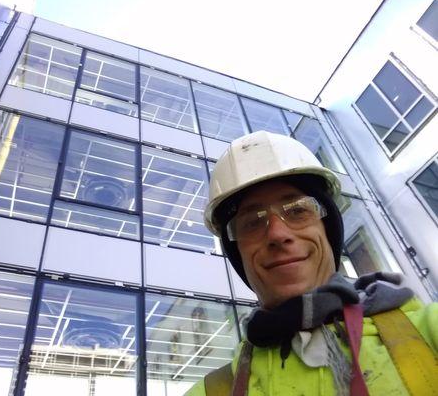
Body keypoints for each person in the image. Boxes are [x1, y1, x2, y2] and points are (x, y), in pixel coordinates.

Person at [185, 131, 437, 396]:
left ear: (328, 230)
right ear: (239, 254)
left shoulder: (428, 330)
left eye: (297, 210)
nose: (278, 234)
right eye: (253, 223)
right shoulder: (210, 391)